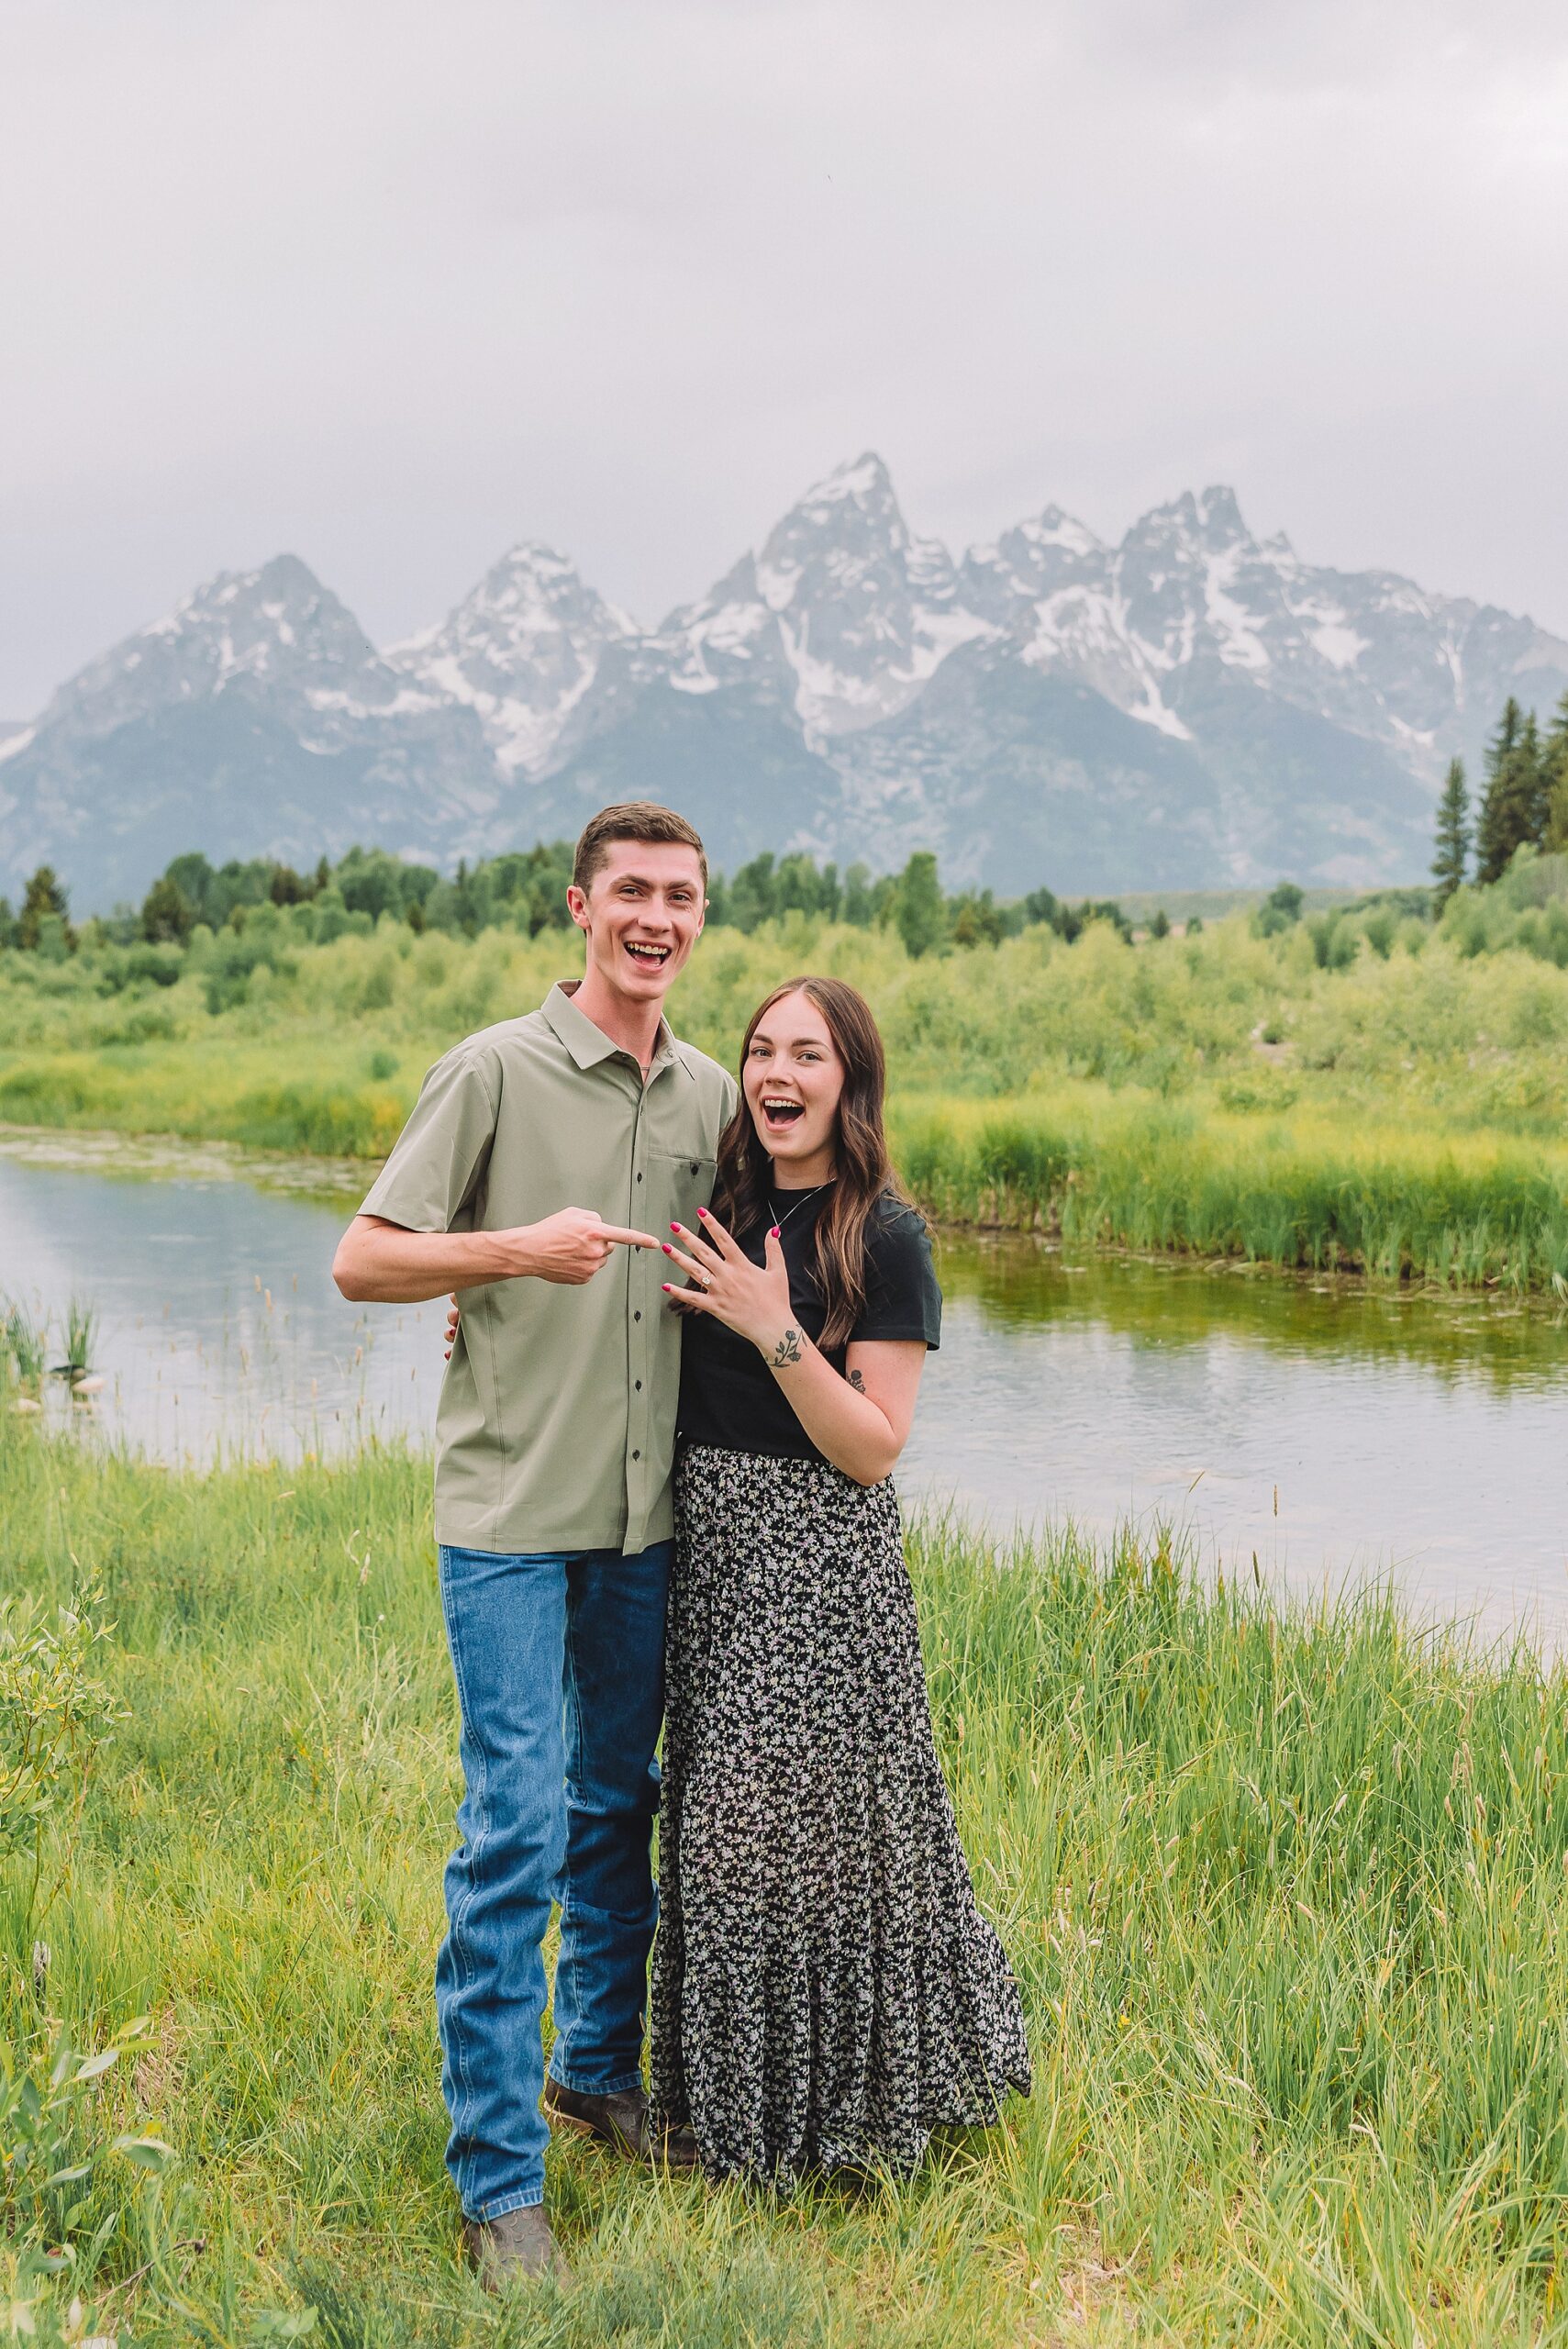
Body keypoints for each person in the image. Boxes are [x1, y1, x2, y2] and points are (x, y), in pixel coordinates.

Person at [332, 803, 735, 2290]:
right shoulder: (491, 1070)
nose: (655, 917)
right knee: (511, 1832)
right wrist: (507, 1253)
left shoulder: (708, 1094)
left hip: (644, 1525)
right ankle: (500, 2186)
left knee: (614, 1803)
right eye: (630, 891)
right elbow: (364, 1254)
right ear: (578, 907)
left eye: (680, 897)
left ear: (701, 918)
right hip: (508, 1519)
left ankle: (593, 2075)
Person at [649, 974, 1031, 2184]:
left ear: (849, 1081)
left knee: (770, 1846)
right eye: (760, 1050)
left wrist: (773, 1325)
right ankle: (718, 2118)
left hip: (818, 1563)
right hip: (708, 1554)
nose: (776, 1074)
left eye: (806, 1055)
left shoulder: (886, 1234)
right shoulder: (722, 1201)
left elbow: (873, 1445)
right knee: (721, 1839)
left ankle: (824, 2128)